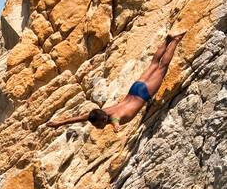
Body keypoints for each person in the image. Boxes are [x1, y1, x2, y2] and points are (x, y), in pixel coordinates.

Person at [46, 33, 184, 133]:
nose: (97, 127)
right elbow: (77, 119)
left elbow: (116, 120)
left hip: (143, 93)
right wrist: (59, 123)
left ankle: (175, 40)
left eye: (98, 125)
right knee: (154, 64)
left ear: (104, 119)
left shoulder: (111, 117)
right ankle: (167, 40)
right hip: (135, 89)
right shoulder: (101, 113)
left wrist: (116, 127)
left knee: (161, 68)